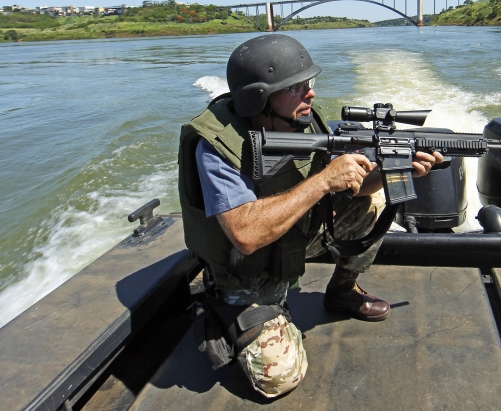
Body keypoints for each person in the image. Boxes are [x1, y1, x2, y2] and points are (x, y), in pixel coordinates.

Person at [178, 34, 442, 398]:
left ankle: (342, 292)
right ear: (260, 98)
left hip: (291, 237)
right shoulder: (218, 144)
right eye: (296, 87)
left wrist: (399, 171)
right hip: (241, 265)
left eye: (309, 83)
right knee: (279, 377)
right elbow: (244, 234)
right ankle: (225, 312)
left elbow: (356, 188)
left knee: (374, 203)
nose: (311, 94)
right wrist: (322, 182)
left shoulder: (306, 122)